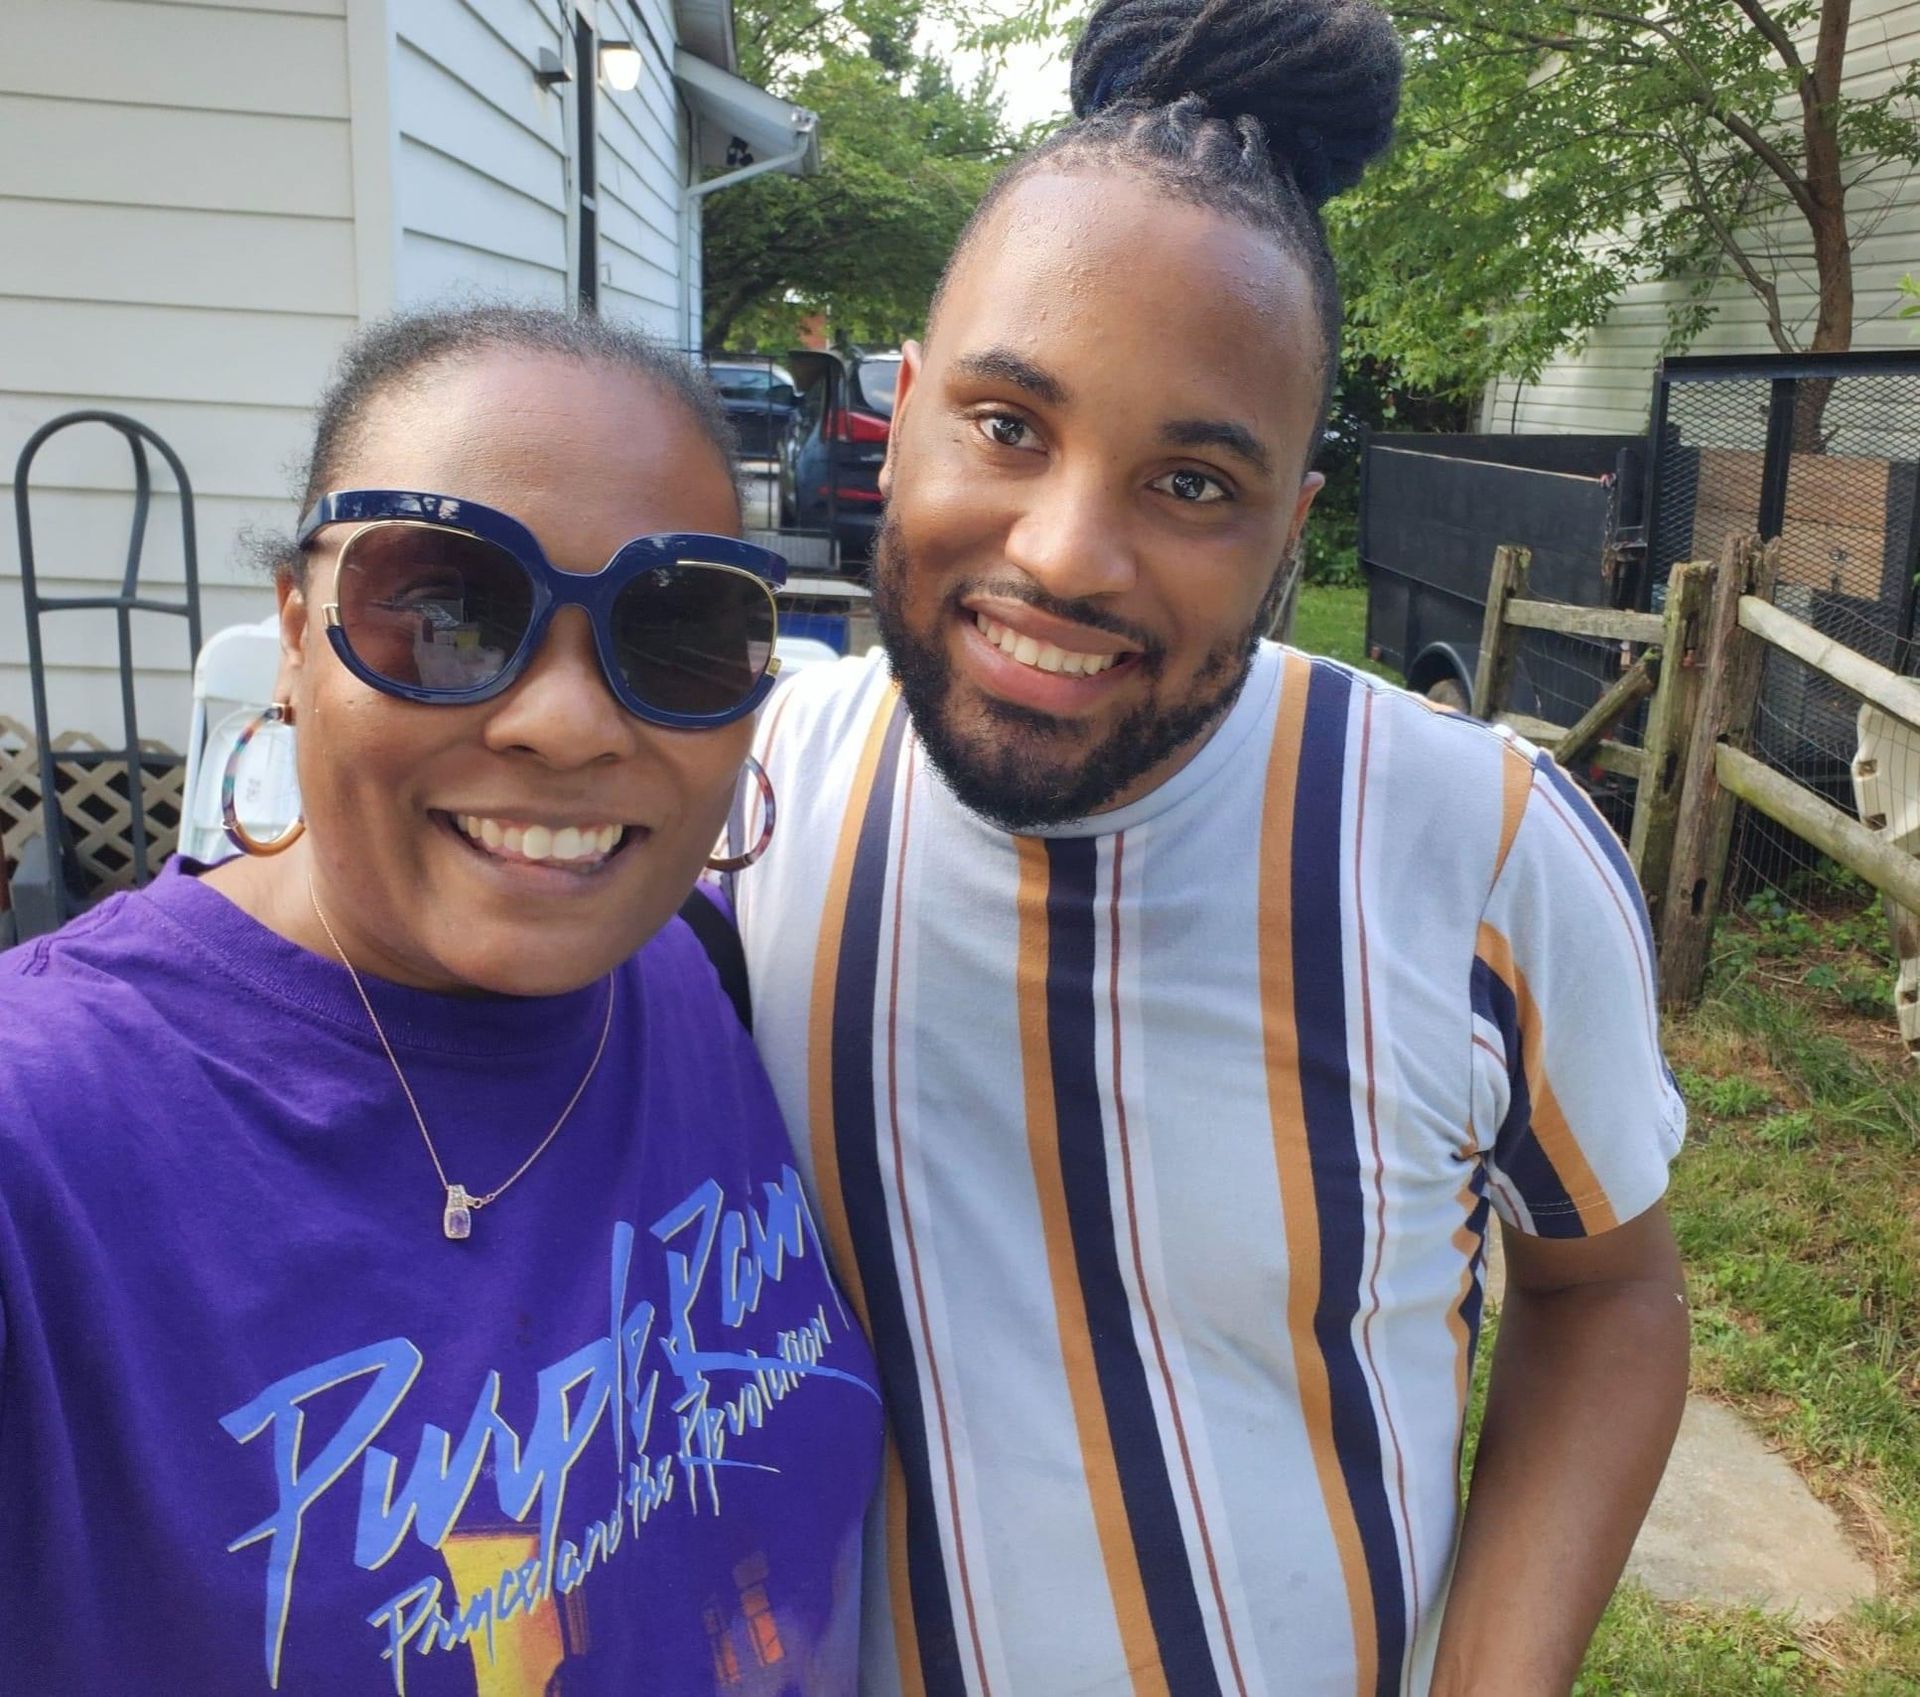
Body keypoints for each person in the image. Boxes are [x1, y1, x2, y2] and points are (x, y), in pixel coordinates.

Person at [730, 2, 1690, 1693]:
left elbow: (1608, 1298)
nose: (1066, 552)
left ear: (1289, 532)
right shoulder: (739, 811)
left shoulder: (1480, 855)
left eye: (1190, 484)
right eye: (1006, 424)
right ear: (907, 410)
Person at [0, 307, 881, 1695]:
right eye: (447, 609)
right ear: (295, 634)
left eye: (683, 627)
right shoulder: (45, 1130)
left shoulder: (704, 978)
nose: (566, 720)